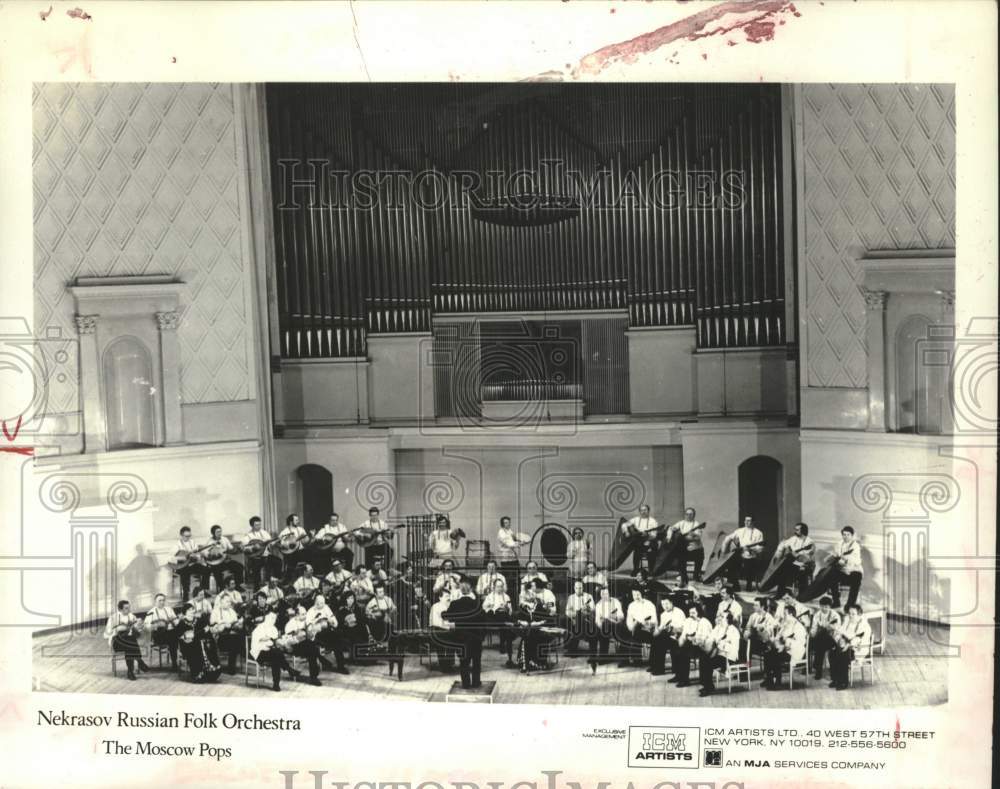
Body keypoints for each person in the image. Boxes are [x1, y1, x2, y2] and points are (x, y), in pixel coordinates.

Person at [441, 577, 484, 689]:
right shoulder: (477, 603)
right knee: (476, 662)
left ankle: (466, 684)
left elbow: (447, 616)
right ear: (471, 588)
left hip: (461, 638)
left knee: (464, 662)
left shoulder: (455, 604)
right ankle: (476, 682)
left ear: (460, 588)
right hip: (476, 637)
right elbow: (483, 620)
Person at [249, 611, 300, 692]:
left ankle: (276, 684)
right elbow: (257, 642)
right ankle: (288, 669)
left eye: (274, 618)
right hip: (259, 652)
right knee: (276, 654)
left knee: (276, 657)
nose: (273, 620)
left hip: (271, 651)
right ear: (266, 617)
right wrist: (268, 639)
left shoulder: (274, 629)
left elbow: (275, 641)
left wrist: (281, 640)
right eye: (271, 618)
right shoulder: (259, 628)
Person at [762, 602, 808, 689]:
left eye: (785, 614)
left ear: (791, 614)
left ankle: (778, 682)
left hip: (793, 652)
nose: (784, 616)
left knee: (775, 656)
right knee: (767, 654)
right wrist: (774, 640)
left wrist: (785, 642)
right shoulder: (785, 625)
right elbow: (778, 637)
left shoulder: (799, 627)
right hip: (783, 649)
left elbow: (800, 643)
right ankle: (769, 679)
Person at [828, 604, 872, 690]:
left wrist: (847, 645)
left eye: (853, 614)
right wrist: (839, 639)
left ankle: (843, 682)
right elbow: (841, 631)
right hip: (845, 643)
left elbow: (857, 639)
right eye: (849, 613)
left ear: (859, 615)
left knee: (843, 655)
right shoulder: (847, 620)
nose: (850, 616)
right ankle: (835, 679)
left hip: (858, 648)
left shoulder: (864, 625)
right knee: (832, 654)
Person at [175, 603, 222, 683]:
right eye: (189, 610)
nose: (192, 611)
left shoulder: (199, 620)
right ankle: (198, 673)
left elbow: (206, 631)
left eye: (193, 609)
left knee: (209, 643)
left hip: (201, 643)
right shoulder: (181, 624)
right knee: (196, 646)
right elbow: (183, 638)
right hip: (189, 646)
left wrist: (206, 631)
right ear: (185, 612)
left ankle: (211, 671)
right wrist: (198, 634)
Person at [698, 611, 742, 696]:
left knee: (708, 662)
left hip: (728, 657)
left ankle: (708, 688)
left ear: (728, 619)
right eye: (719, 616)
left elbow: (734, 649)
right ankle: (706, 685)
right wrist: (705, 641)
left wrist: (720, 644)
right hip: (719, 654)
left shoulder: (733, 631)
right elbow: (711, 638)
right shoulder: (718, 628)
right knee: (703, 658)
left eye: (722, 617)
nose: (719, 618)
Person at [105, 600, 148, 680]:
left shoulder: (131, 616)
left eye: (129, 608)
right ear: (120, 609)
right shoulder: (113, 618)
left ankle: (130, 672)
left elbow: (138, 630)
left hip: (128, 643)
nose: (129, 610)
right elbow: (107, 634)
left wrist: (139, 625)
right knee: (130, 641)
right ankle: (139, 661)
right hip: (117, 642)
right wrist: (117, 629)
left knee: (130, 642)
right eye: (126, 608)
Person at [283, 605, 326, 685]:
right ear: (296, 615)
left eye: (305, 613)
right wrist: (300, 637)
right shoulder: (289, 625)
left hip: (307, 645)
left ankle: (314, 676)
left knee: (312, 646)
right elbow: (288, 641)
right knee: (312, 648)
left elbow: (311, 635)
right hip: (295, 647)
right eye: (303, 614)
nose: (305, 616)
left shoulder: (306, 622)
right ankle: (314, 675)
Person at [307, 594, 349, 674]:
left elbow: (335, 622)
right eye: (320, 603)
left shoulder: (326, 607)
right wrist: (318, 626)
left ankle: (341, 666)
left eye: (323, 603)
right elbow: (309, 629)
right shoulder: (310, 611)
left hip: (328, 632)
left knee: (337, 638)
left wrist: (331, 621)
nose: (322, 605)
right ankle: (339, 665)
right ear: (315, 603)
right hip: (318, 634)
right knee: (336, 639)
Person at [824, 526, 864, 610]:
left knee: (856, 578)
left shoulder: (856, 546)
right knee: (831, 575)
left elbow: (856, 561)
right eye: (844, 534)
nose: (845, 537)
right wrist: (829, 558)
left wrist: (846, 559)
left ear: (852, 535)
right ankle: (836, 601)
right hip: (843, 570)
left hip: (853, 570)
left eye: (848, 535)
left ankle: (850, 605)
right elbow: (835, 554)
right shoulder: (839, 544)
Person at [773, 522, 816, 597]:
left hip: (805, 565)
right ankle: (780, 593)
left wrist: (796, 555)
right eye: (795, 529)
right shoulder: (793, 538)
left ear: (803, 531)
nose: (795, 531)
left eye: (797, 530)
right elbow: (783, 544)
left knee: (801, 573)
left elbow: (806, 558)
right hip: (794, 564)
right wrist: (778, 553)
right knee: (782, 571)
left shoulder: (810, 542)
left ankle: (802, 595)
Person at [722, 516, 765, 591]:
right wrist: (725, 550)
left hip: (752, 556)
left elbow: (761, 548)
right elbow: (728, 538)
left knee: (749, 564)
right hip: (741, 555)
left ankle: (749, 585)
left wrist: (751, 548)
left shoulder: (758, 533)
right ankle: (736, 586)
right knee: (730, 564)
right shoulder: (740, 531)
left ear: (753, 522)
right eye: (745, 520)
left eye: (749, 521)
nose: (746, 522)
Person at [618, 586, 656, 667]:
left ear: (642, 594)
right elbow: (629, 619)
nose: (636, 597)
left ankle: (637, 660)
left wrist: (640, 623)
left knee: (637, 632)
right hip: (634, 628)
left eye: (638, 594)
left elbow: (654, 621)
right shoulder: (631, 605)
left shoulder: (649, 604)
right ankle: (624, 660)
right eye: (634, 595)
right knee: (622, 631)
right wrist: (631, 627)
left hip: (646, 629)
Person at [675, 603, 712, 687]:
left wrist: (696, 640)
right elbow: (684, 634)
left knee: (683, 653)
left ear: (699, 612)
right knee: (678, 651)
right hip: (691, 644)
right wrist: (681, 641)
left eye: (693, 613)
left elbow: (706, 639)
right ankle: (682, 678)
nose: (691, 615)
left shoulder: (705, 622)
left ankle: (686, 680)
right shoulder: (688, 621)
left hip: (703, 646)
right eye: (690, 613)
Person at [649, 596, 686, 677]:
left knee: (660, 641)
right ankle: (657, 667)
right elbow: (660, 629)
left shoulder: (679, 612)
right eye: (663, 604)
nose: (665, 606)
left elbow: (683, 629)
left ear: (671, 603)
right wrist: (658, 629)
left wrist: (672, 629)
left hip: (678, 637)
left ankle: (659, 668)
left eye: (667, 604)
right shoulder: (663, 615)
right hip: (668, 637)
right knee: (656, 640)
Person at [668, 507, 705, 586]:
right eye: (687, 514)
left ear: (694, 515)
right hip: (684, 548)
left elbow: (698, 537)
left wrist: (691, 536)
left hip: (695, 548)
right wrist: (669, 536)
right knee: (679, 555)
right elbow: (671, 528)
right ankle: (684, 577)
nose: (688, 516)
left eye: (691, 514)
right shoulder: (681, 523)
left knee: (699, 556)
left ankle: (696, 575)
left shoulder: (697, 524)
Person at [591, 585, 624, 673]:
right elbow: (597, 620)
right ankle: (603, 657)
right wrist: (601, 624)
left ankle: (621, 658)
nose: (605, 595)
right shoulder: (598, 605)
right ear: (600, 595)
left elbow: (621, 615)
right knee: (602, 629)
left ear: (609, 593)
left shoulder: (615, 601)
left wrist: (613, 617)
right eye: (602, 594)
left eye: (606, 593)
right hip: (605, 627)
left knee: (614, 628)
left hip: (616, 624)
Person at [482, 577, 514, 666]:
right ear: (494, 587)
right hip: (493, 617)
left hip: (504, 616)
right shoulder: (490, 596)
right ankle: (505, 644)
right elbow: (484, 608)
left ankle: (504, 644)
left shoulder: (506, 596)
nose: (500, 588)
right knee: (506, 623)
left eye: (501, 586)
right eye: (498, 587)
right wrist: (491, 606)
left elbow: (510, 610)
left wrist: (507, 608)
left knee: (506, 621)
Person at [208, 596, 243, 674]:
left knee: (238, 637)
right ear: (221, 602)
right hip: (220, 638)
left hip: (232, 635)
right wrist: (223, 624)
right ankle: (231, 667)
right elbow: (212, 626)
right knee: (235, 640)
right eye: (227, 601)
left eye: (230, 602)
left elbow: (236, 623)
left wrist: (238, 624)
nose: (229, 603)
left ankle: (232, 666)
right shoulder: (215, 612)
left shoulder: (232, 611)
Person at [144, 593, 180, 669]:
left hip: (170, 634)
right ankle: (175, 662)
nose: (162, 602)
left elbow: (176, 621)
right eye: (159, 600)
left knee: (174, 635)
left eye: (163, 600)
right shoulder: (151, 612)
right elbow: (146, 627)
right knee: (174, 637)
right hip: (158, 636)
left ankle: (175, 662)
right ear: (155, 602)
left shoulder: (169, 609)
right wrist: (156, 626)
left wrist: (175, 621)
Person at [202, 524, 243, 591]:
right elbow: (204, 553)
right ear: (213, 533)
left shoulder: (224, 539)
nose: (219, 533)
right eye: (217, 532)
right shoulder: (209, 541)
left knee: (239, 566)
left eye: (220, 531)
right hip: (214, 563)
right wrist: (214, 554)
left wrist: (238, 549)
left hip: (224, 561)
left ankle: (237, 585)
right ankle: (222, 588)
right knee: (217, 571)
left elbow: (231, 549)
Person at [170, 526, 204, 601]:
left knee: (206, 569)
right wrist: (183, 558)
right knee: (185, 572)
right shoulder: (177, 545)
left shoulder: (193, 542)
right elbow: (171, 558)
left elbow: (198, 554)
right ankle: (186, 593)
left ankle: (203, 590)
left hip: (192, 565)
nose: (188, 538)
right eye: (186, 536)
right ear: (181, 535)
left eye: (189, 536)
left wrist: (196, 556)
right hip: (181, 567)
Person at [242, 516, 278, 587]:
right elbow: (244, 548)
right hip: (255, 557)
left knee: (278, 562)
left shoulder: (265, 533)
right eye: (256, 525)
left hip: (266, 555)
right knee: (256, 566)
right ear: (252, 525)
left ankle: (274, 583)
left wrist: (274, 543)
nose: (258, 526)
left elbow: (270, 544)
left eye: (259, 524)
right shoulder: (248, 535)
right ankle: (257, 587)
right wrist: (253, 547)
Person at [564, 579, 595, 655]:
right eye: (577, 588)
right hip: (574, 619)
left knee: (580, 618)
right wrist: (574, 616)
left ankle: (572, 649)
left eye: (580, 588)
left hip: (586, 619)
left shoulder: (588, 596)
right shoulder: (571, 597)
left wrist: (588, 608)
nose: (578, 590)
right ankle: (572, 647)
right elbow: (567, 611)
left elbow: (593, 609)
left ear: (583, 588)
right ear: (574, 588)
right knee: (573, 618)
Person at [625, 504, 660, 574]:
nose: (643, 512)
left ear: (648, 511)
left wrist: (648, 535)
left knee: (651, 551)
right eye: (641, 510)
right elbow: (624, 524)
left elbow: (654, 535)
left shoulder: (653, 521)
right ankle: (636, 569)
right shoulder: (635, 519)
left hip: (650, 541)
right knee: (636, 550)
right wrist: (626, 532)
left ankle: (651, 571)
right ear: (639, 512)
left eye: (645, 510)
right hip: (639, 543)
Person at [496, 516, 530, 587]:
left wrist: (522, 540)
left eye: (508, 522)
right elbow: (509, 543)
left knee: (517, 575)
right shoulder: (501, 532)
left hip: (513, 557)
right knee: (507, 578)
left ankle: (517, 593)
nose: (507, 524)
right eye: (505, 523)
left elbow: (515, 538)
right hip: (506, 559)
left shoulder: (510, 531)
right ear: (502, 524)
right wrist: (519, 544)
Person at [429, 587, 456, 671]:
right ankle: (444, 665)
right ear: (440, 598)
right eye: (446, 596)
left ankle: (449, 663)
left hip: (448, 629)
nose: (448, 598)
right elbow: (438, 622)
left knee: (454, 638)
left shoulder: (451, 605)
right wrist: (451, 626)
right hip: (437, 629)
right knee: (447, 639)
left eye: (449, 596)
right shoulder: (436, 606)